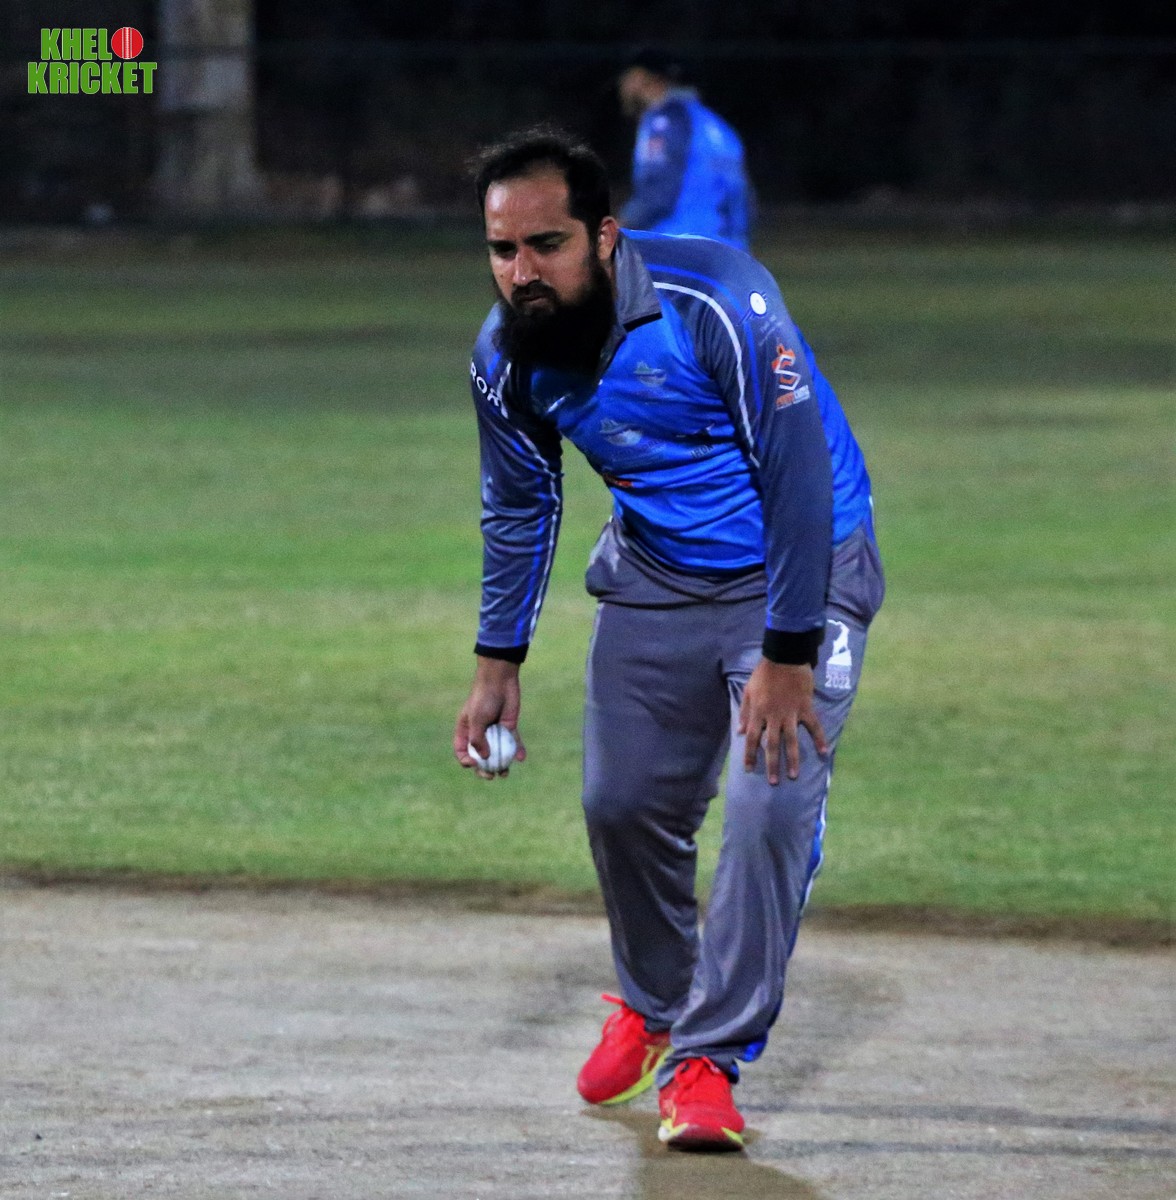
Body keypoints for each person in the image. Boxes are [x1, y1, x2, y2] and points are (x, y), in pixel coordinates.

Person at [453, 128, 884, 1152]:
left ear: (604, 236)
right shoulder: (505, 356)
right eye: (503, 250)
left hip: (802, 573)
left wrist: (787, 652)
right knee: (620, 804)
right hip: (656, 578)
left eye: (547, 244)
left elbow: (797, 473)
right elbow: (520, 505)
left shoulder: (718, 299)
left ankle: (708, 1059)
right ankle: (655, 1006)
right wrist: (497, 661)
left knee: (770, 808)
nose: (523, 273)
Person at [617, 49, 753, 249]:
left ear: (646, 79)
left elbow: (658, 193)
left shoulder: (664, 121)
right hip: (728, 251)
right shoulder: (717, 126)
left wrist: (617, 229)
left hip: (680, 249)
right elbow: (744, 198)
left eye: (627, 77)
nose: (623, 85)